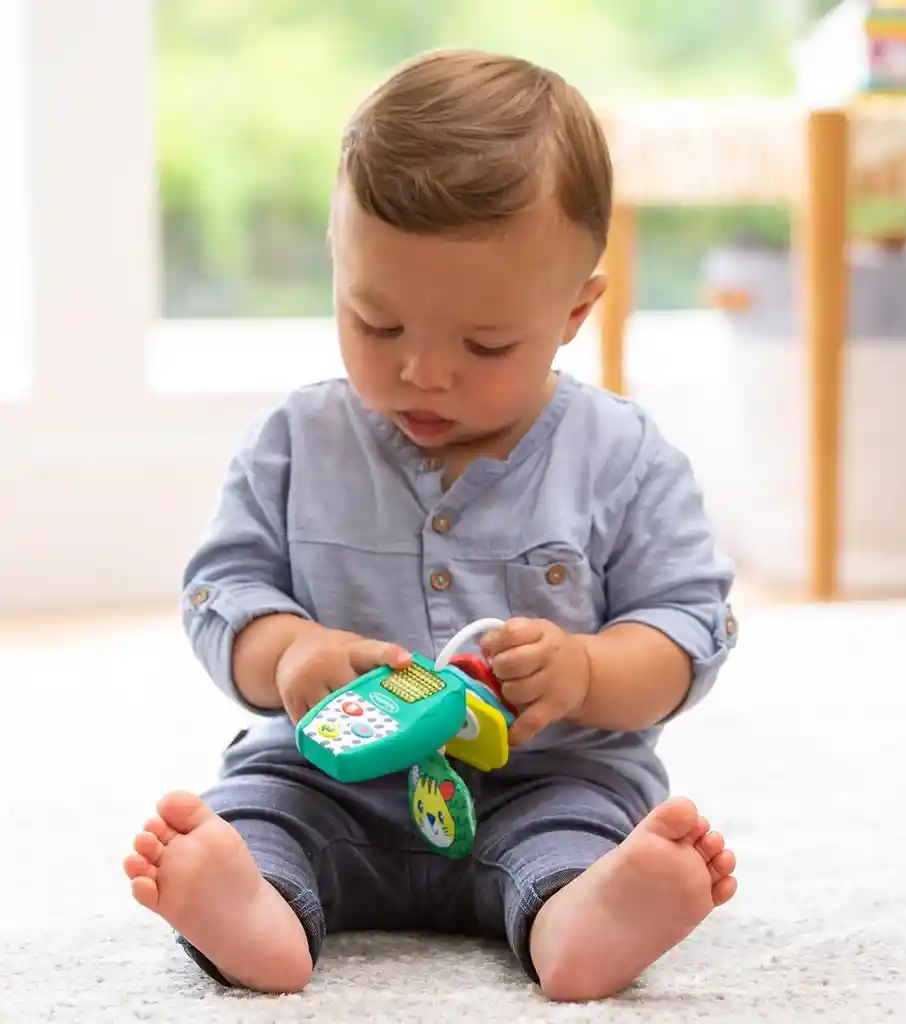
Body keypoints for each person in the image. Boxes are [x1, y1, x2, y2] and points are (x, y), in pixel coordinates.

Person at [122, 48, 739, 1003]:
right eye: (377, 323)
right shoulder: (294, 444)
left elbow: (685, 629)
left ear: (576, 309)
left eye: (485, 344)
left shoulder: (623, 456)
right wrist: (290, 653)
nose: (423, 372)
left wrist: (583, 671)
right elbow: (223, 595)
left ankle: (582, 918)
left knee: (580, 832)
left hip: (543, 779)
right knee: (253, 810)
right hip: (332, 772)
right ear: (339, 265)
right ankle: (254, 911)